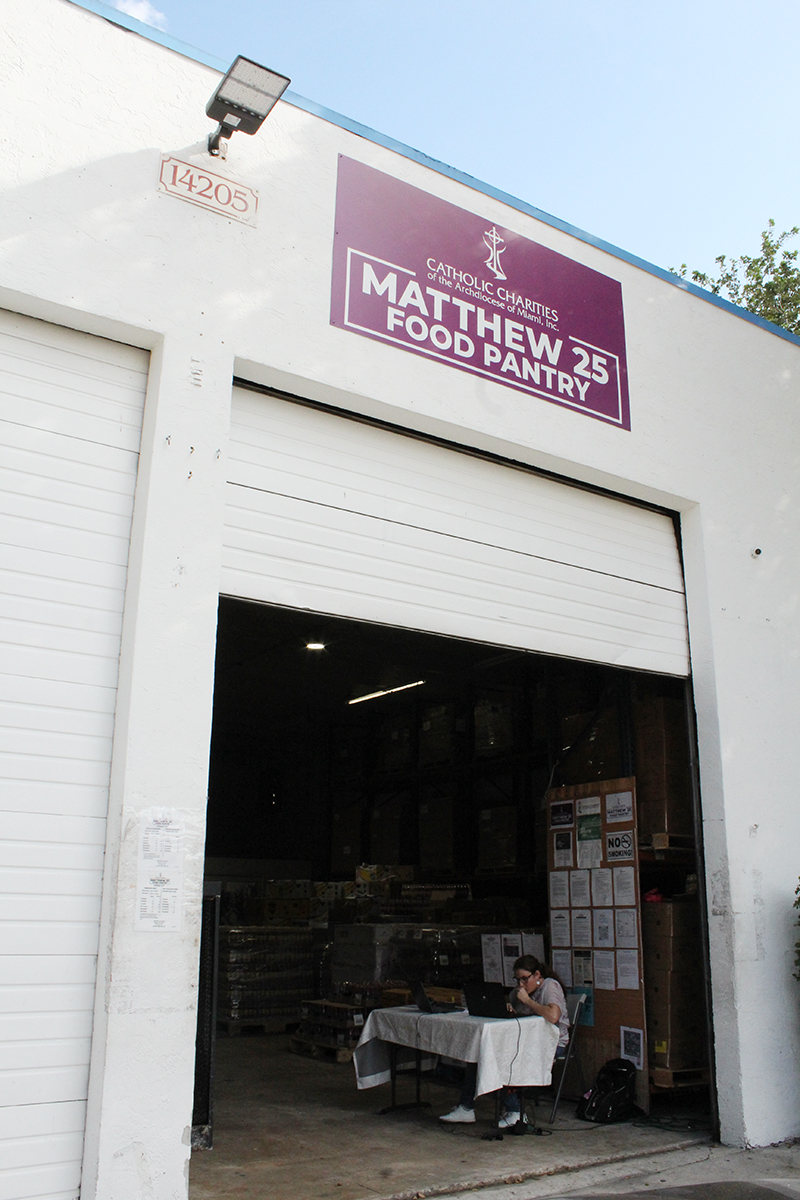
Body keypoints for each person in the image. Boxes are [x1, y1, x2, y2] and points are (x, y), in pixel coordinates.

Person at [439, 955, 569, 1127]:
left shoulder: (550, 986)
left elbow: (553, 1016)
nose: (521, 985)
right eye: (518, 980)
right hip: (524, 1039)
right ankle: (466, 1106)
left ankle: (515, 1111)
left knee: (498, 1057)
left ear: (537, 975)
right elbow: (516, 1011)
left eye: (525, 979)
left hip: (550, 1043)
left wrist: (528, 1001)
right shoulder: (521, 992)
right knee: (479, 1051)